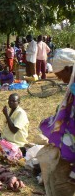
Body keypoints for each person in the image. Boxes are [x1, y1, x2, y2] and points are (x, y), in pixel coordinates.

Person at [39, 48, 75, 193]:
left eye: (60, 76)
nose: (60, 80)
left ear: (68, 68)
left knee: (62, 179)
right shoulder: (72, 86)